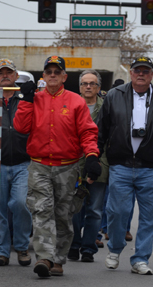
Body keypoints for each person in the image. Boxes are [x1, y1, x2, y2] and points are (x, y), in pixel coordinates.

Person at [97, 56, 153, 275]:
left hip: (150, 167)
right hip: (120, 165)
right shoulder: (114, 96)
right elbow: (101, 130)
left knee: (150, 216)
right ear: (130, 73)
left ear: (151, 74)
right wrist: (93, 156)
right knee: (117, 211)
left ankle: (140, 258)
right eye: (137, 70)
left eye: (146, 71)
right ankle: (115, 249)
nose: (141, 74)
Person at [13, 55, 100, 278]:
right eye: (48, 71)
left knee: (63, 215)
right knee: (42, 211)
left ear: (64, 76)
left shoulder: (76, 101)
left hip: (68, 167)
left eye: (56, 72)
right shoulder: (34, 99)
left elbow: (88, 132)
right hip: (39, 165)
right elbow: (21, 127)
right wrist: (24, 99)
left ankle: (59, 259)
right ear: (43, 76)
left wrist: (91, 156)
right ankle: (44, 257)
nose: (52, 75)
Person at [0, 58, 32, 267]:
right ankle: (0, 251)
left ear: (16, 76)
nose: (5, 76)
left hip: (23, 163)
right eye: (1, 73)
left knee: (21, 204)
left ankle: (22, 247)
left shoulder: (28, 99)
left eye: (9, 72)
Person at [67, 70, 109, 263]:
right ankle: (74, 245)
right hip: (75, 164)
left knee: (94, 210)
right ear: (79, 87)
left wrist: (100, 163)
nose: (88, 87)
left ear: (98, 87)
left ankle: (88, 248)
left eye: (92, 83)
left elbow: (110, 137)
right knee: (74, 208)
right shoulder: (70, 106)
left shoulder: (107, 108)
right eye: (84, 83)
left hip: (99, 164)